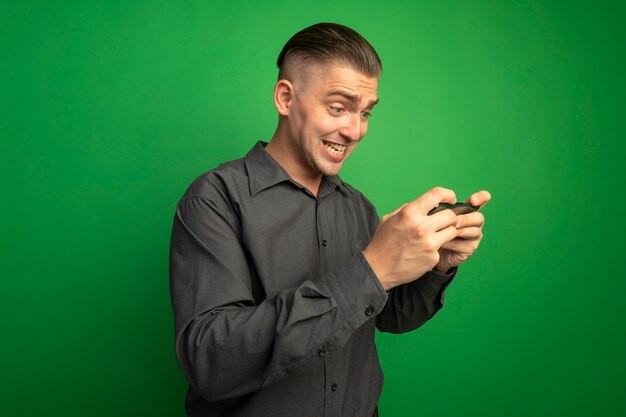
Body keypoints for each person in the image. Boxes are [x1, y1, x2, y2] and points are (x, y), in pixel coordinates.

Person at [169, 22, 491, 417]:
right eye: (338, 108)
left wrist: (435, 266)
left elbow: (386, 315)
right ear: (286, 98)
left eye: (366, 113)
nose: (355, 130)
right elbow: (212, 362)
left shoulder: (359, 207)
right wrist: (372, 268)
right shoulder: (213, 201)